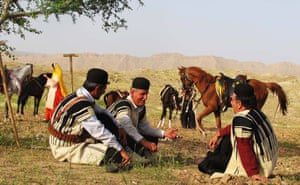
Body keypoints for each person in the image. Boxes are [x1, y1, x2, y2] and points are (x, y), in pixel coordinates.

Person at [48, 68, 131, 173]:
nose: (104, 92)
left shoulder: (80, 95)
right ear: (97, 89)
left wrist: (119, 126)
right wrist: (121, 150)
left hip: (68, 139)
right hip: (65, 147)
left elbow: (103, 112)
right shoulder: (81, 104)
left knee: (104, 118)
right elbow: (98, 131)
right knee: (115, 153)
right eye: (103, 89)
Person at [198, 83, 278, 182]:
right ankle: (214, 156)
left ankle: (211, 159)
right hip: (270, 160)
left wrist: (253, 173)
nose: (230, 101)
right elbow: (234, 128)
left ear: (239, 104)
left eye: (232, 99)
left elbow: (245, 148)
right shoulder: (255, 112)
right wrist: (218, 134)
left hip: (262, 167)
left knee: (204, 165)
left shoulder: (242, 120)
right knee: (227, 138)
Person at [108, 77, 180, 158]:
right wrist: (145, 143)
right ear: (132, 92)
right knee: (128, 136)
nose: (145, 98)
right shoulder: (124, 104)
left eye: (147, 94)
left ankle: (143, 155)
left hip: (125, 138)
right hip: (110, 139)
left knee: (152, 137)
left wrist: (164, 133)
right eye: (142, 94)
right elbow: (126, 125)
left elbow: (145, 129)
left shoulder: (140, 108)